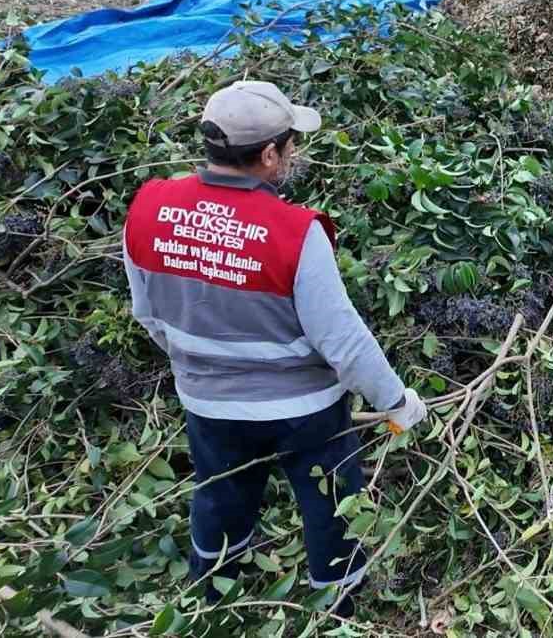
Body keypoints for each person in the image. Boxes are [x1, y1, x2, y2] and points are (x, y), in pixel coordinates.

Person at [123, 80, 428, 612]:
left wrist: (197, 365)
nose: (292, 154)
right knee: (331, 505)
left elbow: (147, 314)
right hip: (304, 412)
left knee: (220, 495)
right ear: (268, 155)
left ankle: (209, 598)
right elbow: (341, 339)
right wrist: (396, 402)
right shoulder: (294, 232)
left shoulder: (149, 208)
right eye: (289, 146)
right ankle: (335, 611)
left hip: (209, 405)